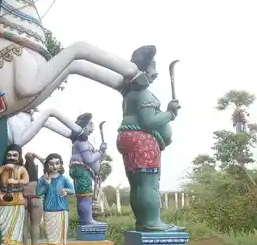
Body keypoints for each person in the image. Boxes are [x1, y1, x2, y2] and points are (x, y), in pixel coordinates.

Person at [116, 45, 182, 232]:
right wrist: (170, 113)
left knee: (137, 184)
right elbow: (149, 121)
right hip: (142, 141)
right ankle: (152, 221)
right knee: (149, 182)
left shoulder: (130, 94)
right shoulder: (143, 94)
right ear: (143, 70)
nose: (156, 72)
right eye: (153, 67)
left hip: (130, 139)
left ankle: (143, 220)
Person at [68, 112, 107, 226]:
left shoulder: (80, 141)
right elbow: (89, 159)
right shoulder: (82, 141)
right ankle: (87, 220)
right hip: (82, 170)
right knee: (85, 197)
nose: (92, 128)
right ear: (84, 127)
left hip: (82, 171)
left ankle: (86, 219)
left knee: (84, 197)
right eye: (90, 125)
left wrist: (100, 153)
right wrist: (100, 152)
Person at [0, 144, 29, 245]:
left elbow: (26, 181)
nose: (12, 157)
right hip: (5, 198)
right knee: (3, 222)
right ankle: (5, 244)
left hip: (18, 199)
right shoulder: (2, 169)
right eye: (9, 155)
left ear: (19, 157)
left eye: (15, 155)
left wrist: (17, 181)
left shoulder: (21, 169)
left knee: (18, 223)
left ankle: (18, 244)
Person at [36, 153, 75, 245]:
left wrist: (65, 190)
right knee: (50, 231)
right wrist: (46, 184)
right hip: (49, 209)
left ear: (61, 164)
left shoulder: (64, 179)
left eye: (57, 163)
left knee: (62, 231)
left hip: (61, 209)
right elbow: (38, 193)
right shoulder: (43, 179)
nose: (54, 166)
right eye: (51, 164)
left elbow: (72, 190)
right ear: (47, 165)